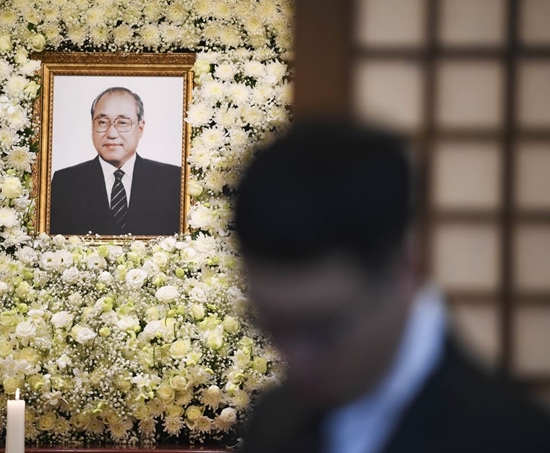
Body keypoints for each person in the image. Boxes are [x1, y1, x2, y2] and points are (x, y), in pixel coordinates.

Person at [234, 120, 550, 453]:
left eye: (321, 330)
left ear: (408, 273)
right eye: (273, 325)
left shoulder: (513, 437)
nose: (298, 361)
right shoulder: (273, 421)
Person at [50, 87, 182, 236]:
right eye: (102, 122)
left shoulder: (172, 180)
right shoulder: (65, 183)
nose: (111, 134)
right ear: (92, 127)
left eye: (123, 123)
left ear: (140, 128)